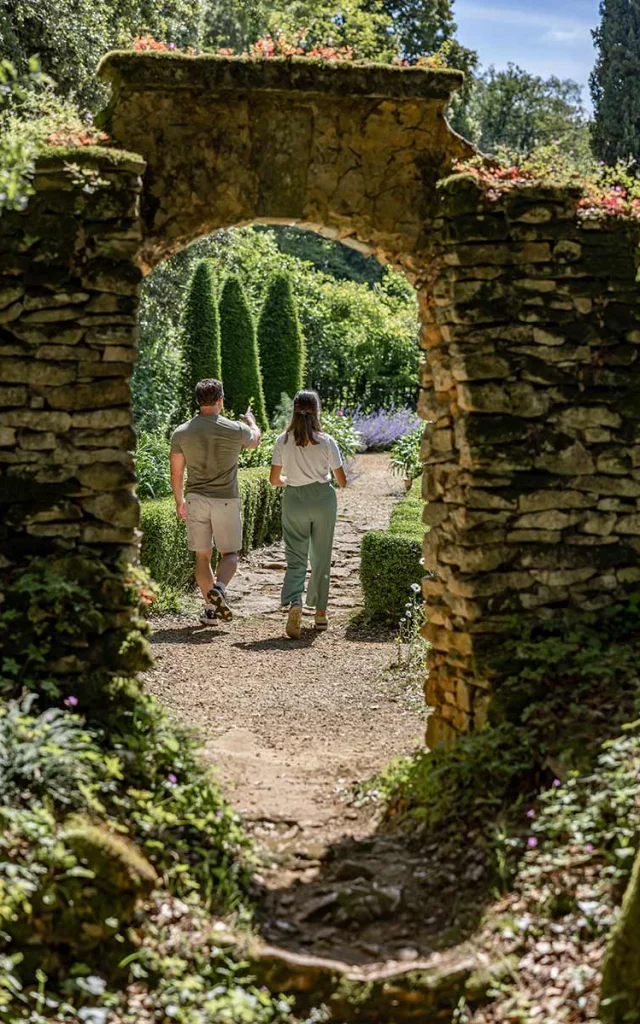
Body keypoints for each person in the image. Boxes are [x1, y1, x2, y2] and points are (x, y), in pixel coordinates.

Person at [170, 378, 261, 625]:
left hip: (196, 499)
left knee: (202, 557)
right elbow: (255, 440)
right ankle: (219, 589)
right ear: (220, 400)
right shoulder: (234, 429)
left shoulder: (181, 432)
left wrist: (179, 501)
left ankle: (210, 611)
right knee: (230, 553)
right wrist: (252, 422)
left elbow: (176, 473)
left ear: (199, 401)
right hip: (226, 500)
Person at [269, 389, 348, 639]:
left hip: (294, 498)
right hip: (323, 499)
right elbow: (342, 481)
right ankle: (321, 613)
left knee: (296, 557)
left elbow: (274, 479)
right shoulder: (326, 441)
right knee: (321, 556)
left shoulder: (283, 439)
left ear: (294, 409)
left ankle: (295, 603)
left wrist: (292, 480)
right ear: (317, 411)